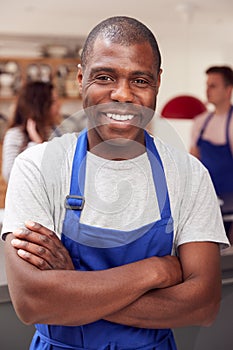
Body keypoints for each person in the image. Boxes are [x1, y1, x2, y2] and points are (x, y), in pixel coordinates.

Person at [2, 16, 230, 350]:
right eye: (105, 77)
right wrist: (156, 271)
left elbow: (203, 305)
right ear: (81, 79)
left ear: (157, 83)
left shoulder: (189, 174)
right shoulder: (38, 167)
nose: (122, 95)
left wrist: (74, 288)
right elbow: (32, 301)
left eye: (139, 80)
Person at [190, 66, 233, 241]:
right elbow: (193, 163)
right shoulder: (200, 122)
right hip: (207, 202)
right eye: (207, 85)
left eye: (213, 86)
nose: (207, 90)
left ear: (228, 90)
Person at [2, 81, 61, 182]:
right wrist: (36, 143)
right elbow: (9, 175)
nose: (59, 105)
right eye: (53, 101)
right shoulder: (15, 135)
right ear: (40, 106)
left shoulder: (55, 132)